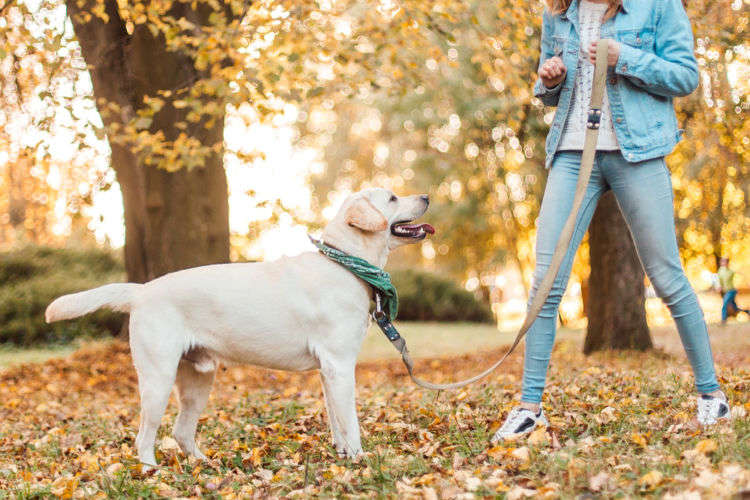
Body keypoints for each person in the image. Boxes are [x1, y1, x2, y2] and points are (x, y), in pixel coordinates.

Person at [492, 0, 730, 440]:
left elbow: (685, 76)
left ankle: (711, 396)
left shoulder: (658, 7)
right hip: (570, 153)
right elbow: (548, 91)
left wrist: (626, 57)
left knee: (667, 277)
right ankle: (529, 407)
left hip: (638, 152)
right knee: (546, 282)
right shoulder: (559, 12)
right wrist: (549, 79)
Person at [717, 256, 748, 324]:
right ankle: (748, 312)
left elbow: (738, 273)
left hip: (731, 291)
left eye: (724, 261)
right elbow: (719, 281)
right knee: (735, 308)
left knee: (725, 305)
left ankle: (723, 320)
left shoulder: (730, 271)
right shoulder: (720, 271)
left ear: (727, 263)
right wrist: (719, 287)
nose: (723, 263)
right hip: (725, 292)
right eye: (722, 261)